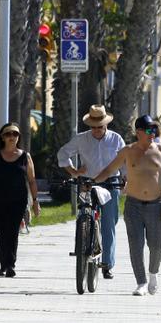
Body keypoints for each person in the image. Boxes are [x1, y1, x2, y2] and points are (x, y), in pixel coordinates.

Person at [95, 115, 161, 296]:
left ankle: (153, 274)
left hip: (156, 205)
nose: (152, 133)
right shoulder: (127, 151)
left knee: (157, 246)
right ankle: (141, 282)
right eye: (148, 130)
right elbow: (108, 170)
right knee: (136, 245)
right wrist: (92, 181)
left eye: (153, 130)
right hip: (134, 206)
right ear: (138, 132)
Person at [57, 105, 126, 279]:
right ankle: (83, 248)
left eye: (100, 127)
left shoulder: (116, 139)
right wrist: (74, 172)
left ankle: (107, 265)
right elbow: (63, 153)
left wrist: (125, 180)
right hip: (87, 183)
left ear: (106, 125)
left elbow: (125, 161)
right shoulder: (81, 139)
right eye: (93, 127)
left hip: (110, 185)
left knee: (109, 225)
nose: (96, 130)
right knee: (85, 216)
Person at [0, 122, 40, 277]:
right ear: (2, 137)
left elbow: (32, 180)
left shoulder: (25, 156)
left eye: (15, 134)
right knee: (1, 231)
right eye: (8, 134)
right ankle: (3, 264)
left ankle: (10, 265)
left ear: (19, 137)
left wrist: (35, 202)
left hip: (18, 200)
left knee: (13, 231)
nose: (12, 137)